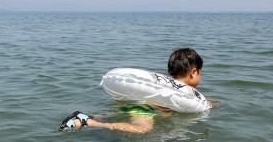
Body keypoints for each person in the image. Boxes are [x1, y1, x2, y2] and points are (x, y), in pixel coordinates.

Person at [59, 48, 207, 134]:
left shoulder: (165, 90)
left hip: (136, 105)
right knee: (142, 129)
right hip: (145, 110)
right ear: (193, 72)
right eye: (200, 72)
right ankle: (88, 122)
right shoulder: (179, 94)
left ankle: (83, 117)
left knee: (114, 116)